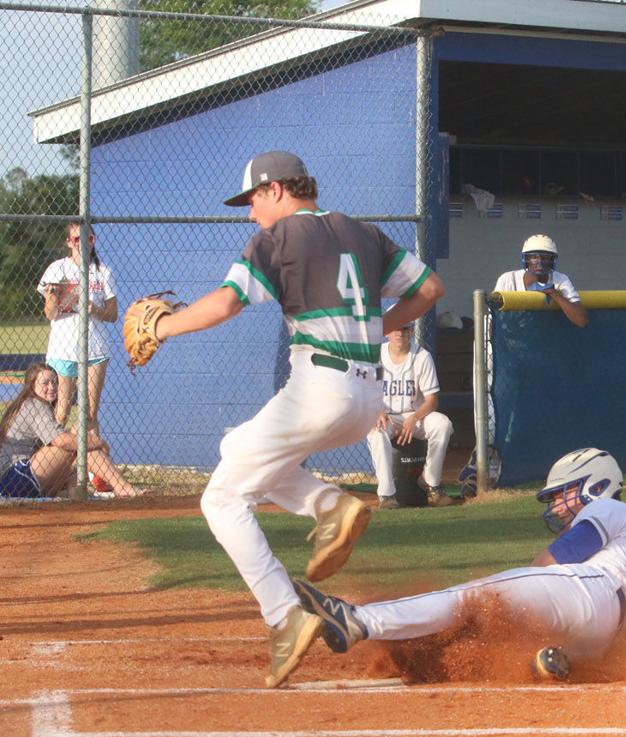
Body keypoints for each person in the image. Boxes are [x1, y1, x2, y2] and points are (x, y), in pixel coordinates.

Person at [149, 151, 444, 689]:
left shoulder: (278, 239)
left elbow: (225, 304)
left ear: (278, 190)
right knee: (237, 449)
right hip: (365, 395)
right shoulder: (364, 232)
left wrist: (164, 326)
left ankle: (284, 615)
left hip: (317, 386)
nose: (250, 213)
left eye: (253, 200)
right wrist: (376, 328)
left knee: (220, 498)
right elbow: (430, 291)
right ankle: (329, 504)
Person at [290, 447, 626, 683]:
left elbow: (552, 561)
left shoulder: (610, 508)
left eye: (562, 493)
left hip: (584, 589)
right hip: (603, 630)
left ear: (596, 485)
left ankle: (357, 620)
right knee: (503, 628)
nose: (554, 506)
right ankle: (540, 662)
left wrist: (525, 584)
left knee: (473, 600)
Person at [0, 361, 142, 499]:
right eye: (45, 383)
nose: (52, 387)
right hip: (15, 477)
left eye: (55, 382)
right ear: (31, 386)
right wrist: (98, 442)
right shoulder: (35, 404)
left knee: (75, 472)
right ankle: (121, 486)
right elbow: (61, 441)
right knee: (78, 439)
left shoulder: (35, 404)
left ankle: (76, 502)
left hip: (20, 480)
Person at [36, 223, 118, 430]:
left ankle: (90, 461)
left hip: (94, 348)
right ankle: (54, 459)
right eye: (76, 239)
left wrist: (94, 310)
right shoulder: (57, 268)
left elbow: (113, 314)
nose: (82, 243)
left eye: (88, 238)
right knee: (61, 411)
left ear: (93, 240)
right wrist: (54, 295)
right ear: (68, 242)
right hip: (63, 349)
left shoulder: (102, 271)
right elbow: (50, 314)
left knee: (90, 412)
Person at [366, 321, 455, 509]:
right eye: (396, 327)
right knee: (376, 432)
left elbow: (432, 400)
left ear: (412, 331)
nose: (400, 332)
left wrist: (414, 417)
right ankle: (386, 495)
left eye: (405, 328)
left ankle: (431, 484)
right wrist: (376, 410)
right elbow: (365, 391)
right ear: (387, 332)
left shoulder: (421, 356)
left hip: (416, 416)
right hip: (387, 417)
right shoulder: (376, 356)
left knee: (442, 424)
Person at [493, 235, 587, 327]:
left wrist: (554, 293)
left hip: (543, 335)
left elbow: (581, 321)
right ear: (526, 260)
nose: (539, 262)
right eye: (534, 257)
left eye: (545, 257)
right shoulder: (508, 279)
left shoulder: (561, 279)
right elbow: (493, 319)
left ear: (552, 259)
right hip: (512, 338)